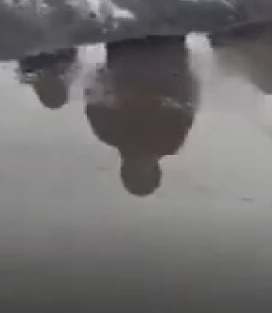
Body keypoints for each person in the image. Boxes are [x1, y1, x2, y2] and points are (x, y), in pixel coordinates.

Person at [84, 36, 198, 198]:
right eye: (142, 172)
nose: (138, 167)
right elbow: (188, 94)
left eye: (135, 172)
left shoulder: (108, 132)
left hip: (129, 55)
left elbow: (94, 89)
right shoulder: (170, 141)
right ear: (155, 168)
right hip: (164, 57)